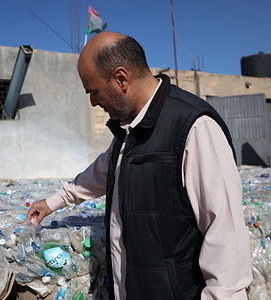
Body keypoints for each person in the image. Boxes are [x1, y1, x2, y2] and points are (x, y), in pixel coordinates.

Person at [27, 31, 252, 300]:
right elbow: (104, 170)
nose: (93, 102)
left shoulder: (193, 127)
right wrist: (55, 201)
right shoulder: (130, 128)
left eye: (94, 91)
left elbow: (225, 233)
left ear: (121, 78)